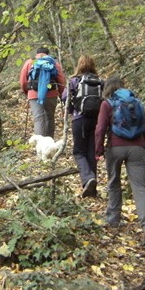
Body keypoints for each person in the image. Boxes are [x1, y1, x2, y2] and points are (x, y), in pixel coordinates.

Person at [94, 75, 145, 245]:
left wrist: (98, 150)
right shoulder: (135, 102)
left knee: (114, 183)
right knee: (139, 187)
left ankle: (113, 219)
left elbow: (100, 128)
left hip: (115, 147)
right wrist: (142, 142)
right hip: (138, 148)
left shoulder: (107, 104)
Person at [62, 55, 103, 197]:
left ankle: (88, 178)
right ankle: (92, 188)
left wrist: (71, 109)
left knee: (79, 152)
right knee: (92, 152)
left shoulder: (74, 81)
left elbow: (65, 97)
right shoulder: (100, 81)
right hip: (96, 120)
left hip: (79, 119)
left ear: (79, 65)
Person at [19, 47, 66, 138]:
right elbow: (61, 80)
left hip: (34, 94)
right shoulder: (54, 62)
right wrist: (61, 93)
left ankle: (40, 144)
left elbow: (23, 82)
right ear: (48, 54)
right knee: (50, 118)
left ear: (36, 54)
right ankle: (50, 142)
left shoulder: (29, 62)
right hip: (51, 94)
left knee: (39, 119)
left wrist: (27, 92)